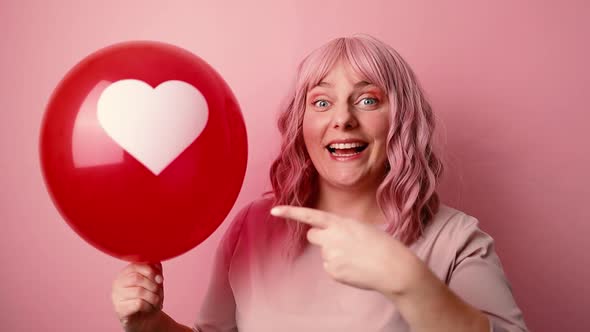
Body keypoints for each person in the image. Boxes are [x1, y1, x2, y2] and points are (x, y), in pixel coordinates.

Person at [111, 34, 528, 332]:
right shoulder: (252, 227)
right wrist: (152, 326)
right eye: (321, 102)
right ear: (301, 124)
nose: (342, 118)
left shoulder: (456, 240)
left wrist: (410, 283)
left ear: (401, 119)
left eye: (368, 100)